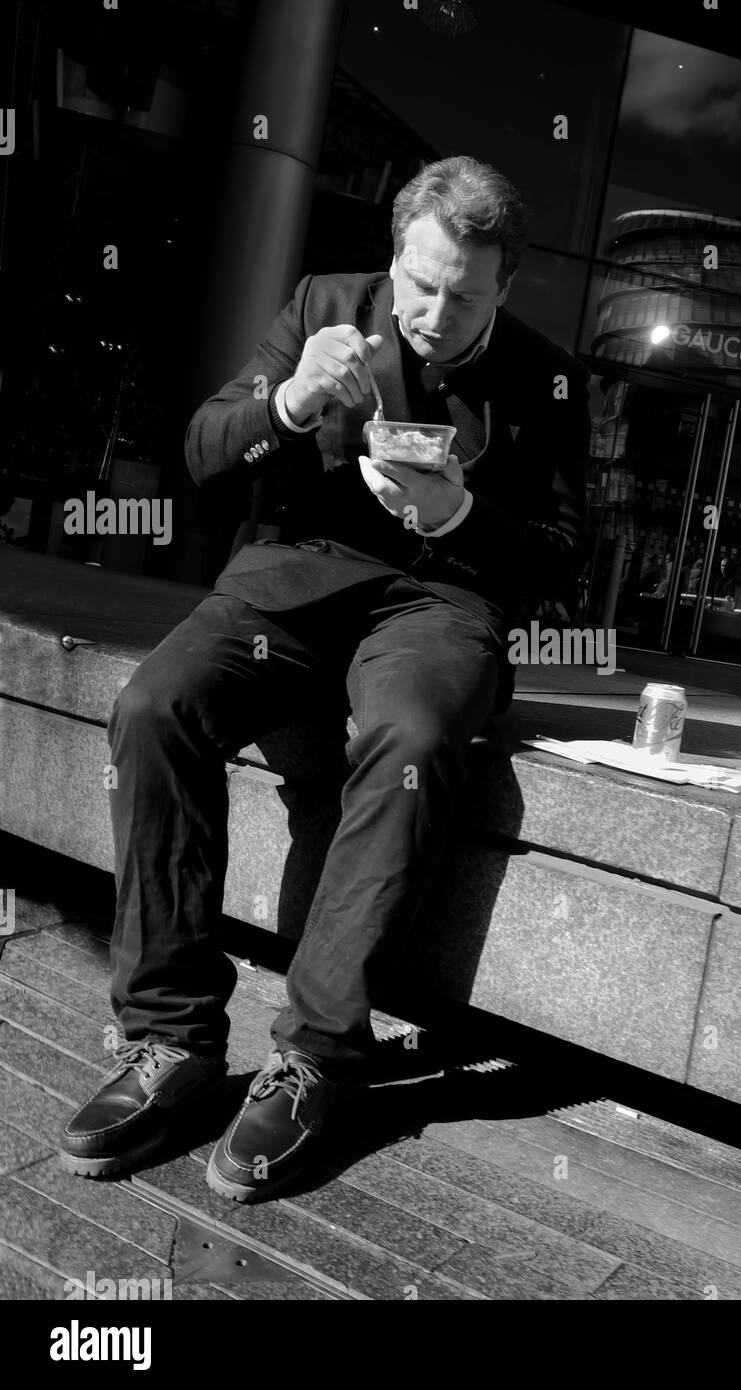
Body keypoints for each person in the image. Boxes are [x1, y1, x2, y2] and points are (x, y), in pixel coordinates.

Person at [58, 156, 591, 1202]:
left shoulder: (546, 376)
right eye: (421, 283)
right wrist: (292, 402)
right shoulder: (324, 307)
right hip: (295, 585)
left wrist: (458, 518)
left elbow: (565, 558)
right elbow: (204, 458)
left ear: (506, 287)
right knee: (155, 705)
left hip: (439, 600)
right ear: (396, 254)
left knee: (411, 739)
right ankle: (169, 1038)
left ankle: (316, 1054)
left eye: (466, 295)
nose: (436, 314)